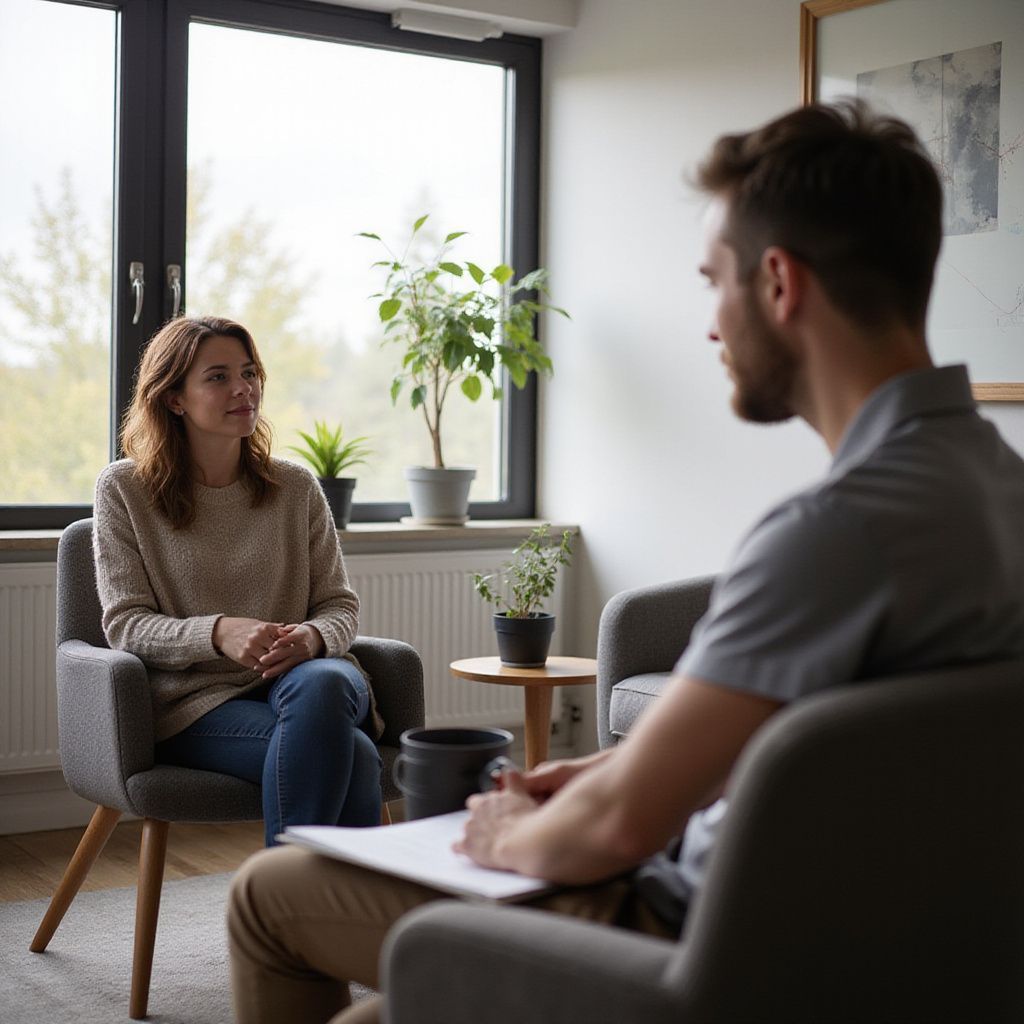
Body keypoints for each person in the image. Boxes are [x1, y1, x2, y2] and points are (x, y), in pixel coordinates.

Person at [226, 99, 1024, 1023]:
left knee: (267, 894)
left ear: (778, 284)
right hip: (890, 950)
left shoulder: (833, 533)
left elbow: (614, 831)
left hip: (707, 950)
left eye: (710, 280)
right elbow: (842, 756)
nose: (712, 325)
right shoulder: (996, 489)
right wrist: (603, 776)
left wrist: (516, 830)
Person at [94, 315, 385, 848]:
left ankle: (278, 909)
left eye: (249, 372)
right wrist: (218, 632)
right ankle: (335, 917)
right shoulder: (125, 490)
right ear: (175, 398)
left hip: (309, 681)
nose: (243, 388)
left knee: (322, 682)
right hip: (199, 703)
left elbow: (338, 604)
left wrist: (314, 639)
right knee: (356, 755)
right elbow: (125, 624)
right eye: (218, 376)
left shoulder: (295, 487)